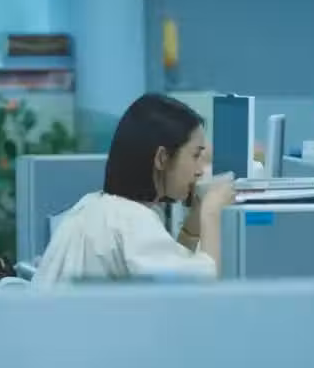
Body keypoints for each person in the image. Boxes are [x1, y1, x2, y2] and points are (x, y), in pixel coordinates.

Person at [32, 93, 235, 285]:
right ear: (162, 158)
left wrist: (192, 226)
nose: (199, 171)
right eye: (195, 156)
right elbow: (201, 290)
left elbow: (171, 273)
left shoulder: (96, 206)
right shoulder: (132, 220)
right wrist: (211, 212)